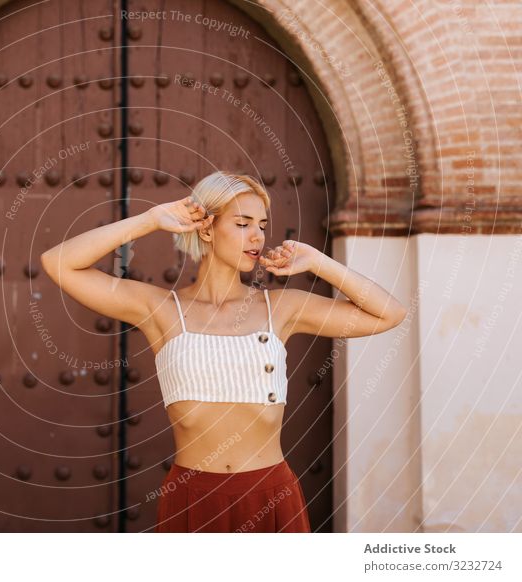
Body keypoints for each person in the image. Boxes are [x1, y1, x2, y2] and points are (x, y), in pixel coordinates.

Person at [40, 171, 407, 532]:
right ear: (206, 228)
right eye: (243, 223)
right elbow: (59, 263)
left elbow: (390, 313)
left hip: (270, 496)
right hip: (192, 497)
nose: (258, 236)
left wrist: (319, 262)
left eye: (262, 225)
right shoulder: (161, 309)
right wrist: (149, 220)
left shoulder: (281, 308)